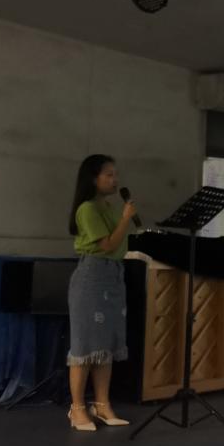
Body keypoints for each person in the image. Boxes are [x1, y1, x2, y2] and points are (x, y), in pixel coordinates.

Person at [65, 154, 136, 430]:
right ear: (93, 179)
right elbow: (107, 245)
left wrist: (124, 219)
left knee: (106, 345)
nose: (115, 180)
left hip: (113, 277)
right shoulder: (87, 209)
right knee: (85, 346)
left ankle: (103, 405)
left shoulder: (107, 206)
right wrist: (126, 218)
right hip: (91, 278)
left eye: (115, 174)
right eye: (109, 175)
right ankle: (77, 409)